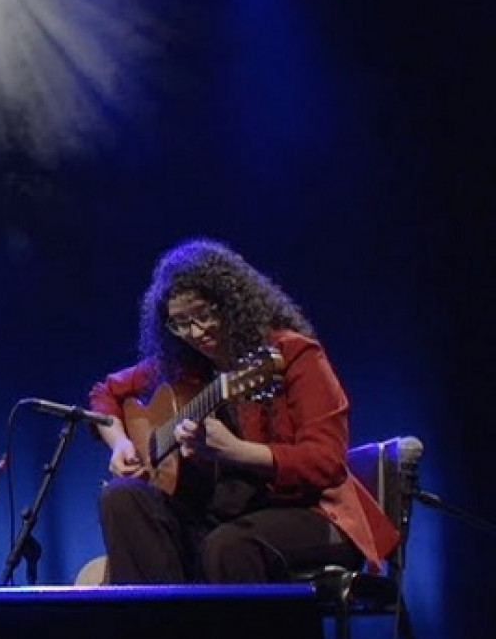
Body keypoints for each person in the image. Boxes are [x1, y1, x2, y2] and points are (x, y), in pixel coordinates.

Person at [87, 239, 398, 583]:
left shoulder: (292, 355)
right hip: (222, 518)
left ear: (230, 302)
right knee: (120, 497)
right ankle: (163, 617)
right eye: (180, 323)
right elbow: (106, 393)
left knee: (228, 546)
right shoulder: (185, 366)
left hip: (309, 512)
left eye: (205, 314)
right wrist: (120, 443)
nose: (195, 332)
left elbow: (326, 462)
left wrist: (236, 451)